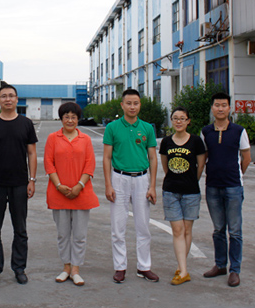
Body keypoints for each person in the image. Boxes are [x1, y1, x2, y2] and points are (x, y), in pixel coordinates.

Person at [0, 83, 38, 285]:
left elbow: (32, 153)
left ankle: (19, 268)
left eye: (11, 96)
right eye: (3, 96)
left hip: (19, 183)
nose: (8, 99)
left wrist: (32, 180)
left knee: (20, 229)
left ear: (17, 99)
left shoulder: (26, 123)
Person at [103, 88, 159, 283]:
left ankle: (144, 267)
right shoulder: (112, 128)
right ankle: (120, 267)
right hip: (119, 178)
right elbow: (107, 157)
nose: (132, 107)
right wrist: (108, 184)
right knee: (118, 227)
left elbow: (153, 158)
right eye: (128, 103)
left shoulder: (147, 128)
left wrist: (152, 186)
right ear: (122, 105)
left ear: (140, 105)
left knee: (143, 226)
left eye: (136, 103)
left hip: (142, 179)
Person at [44, 102, 100, 287]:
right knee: (63, 234)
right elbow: (49, 163)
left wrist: (79, 186)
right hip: (58, 193)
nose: (70, 120)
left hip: (81, 193)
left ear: (78, 119)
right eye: (66, 117)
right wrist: (59, 185)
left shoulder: (85, 139)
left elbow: (89, 164)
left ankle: (76, 269)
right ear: (61, 119)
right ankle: (66, 267)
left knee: (79, 234)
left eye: (73, 117)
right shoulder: (53, 138)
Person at [200, 92, 252, 288]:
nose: (220, 108)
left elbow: (246, 158)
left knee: (235, 231)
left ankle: (234, 270)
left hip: (233, 187)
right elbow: (203, 158)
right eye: (217, 105)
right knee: (218, 230)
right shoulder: (206, 131)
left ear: (229, 108)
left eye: (224, 105)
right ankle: (220, 265)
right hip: (213, 186)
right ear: (212, 108)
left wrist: (236, 175)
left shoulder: (239, 131)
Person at [159, 107, 206, 285]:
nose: (178, 121)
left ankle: (181, 267)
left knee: (187, 230)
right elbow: (165, 166)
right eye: (175, 118)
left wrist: (191, 180)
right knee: (178, 230)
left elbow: (200, 166)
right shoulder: (166, 142)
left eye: (182, 118)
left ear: (188, 121)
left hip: (191, 192)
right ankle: (184, 271)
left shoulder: (196, 141)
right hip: (171, 191)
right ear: (171, 120)